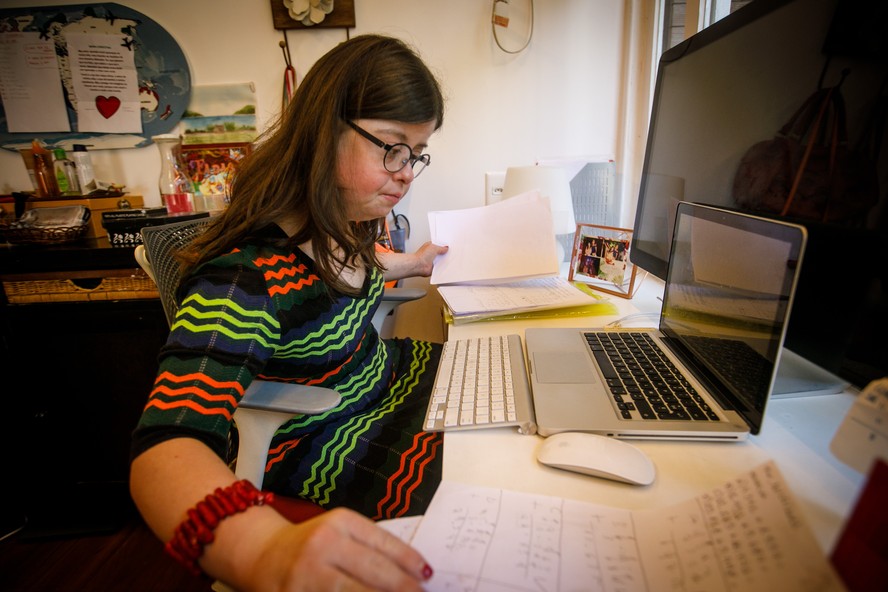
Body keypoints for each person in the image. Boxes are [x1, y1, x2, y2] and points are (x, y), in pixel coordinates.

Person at [130, 34, 449, 591]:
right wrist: (264, 550)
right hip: (328, 434)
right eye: (392, 148)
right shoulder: (244, 278)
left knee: (498, 414)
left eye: (415, 154)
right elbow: (166, 448)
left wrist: (412, 263)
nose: (405, 173)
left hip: (389, 379)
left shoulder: (338, 224)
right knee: (469, 488)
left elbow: (363, 268)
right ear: (326, 131)